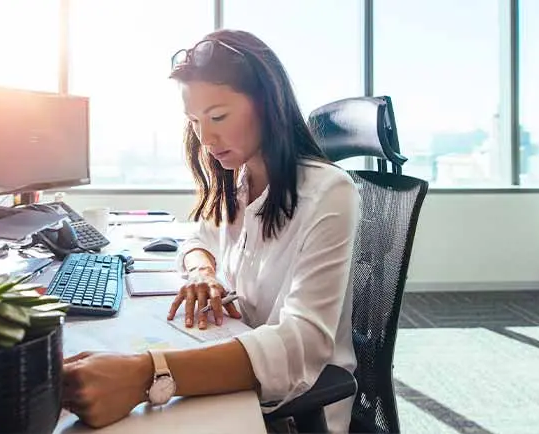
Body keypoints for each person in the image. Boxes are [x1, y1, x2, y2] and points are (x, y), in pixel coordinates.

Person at [62, 29, 360, 433]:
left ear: (268, 105)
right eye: (195, 122)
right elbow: (199, 240)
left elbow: (303, 343)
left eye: (218, 116)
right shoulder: (238, 182)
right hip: (234, 358)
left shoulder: (329, 191)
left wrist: (144, 375)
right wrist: (203, 273)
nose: (205, 138)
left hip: (291, 403)